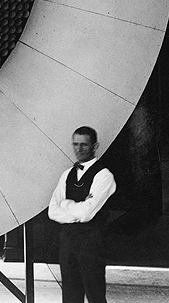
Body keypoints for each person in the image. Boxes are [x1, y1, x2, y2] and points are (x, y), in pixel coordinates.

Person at [48, 126, 116, 303]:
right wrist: (75, 208)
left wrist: (66, 204)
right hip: (68, 242)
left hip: (92, 244)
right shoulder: (66, 175)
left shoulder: (104, 176)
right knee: (70, 296)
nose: (79, 149)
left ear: (95, 146)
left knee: (95, 295)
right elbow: (52, 211)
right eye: (75, 144)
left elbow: (87, 213)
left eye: (84, 145)